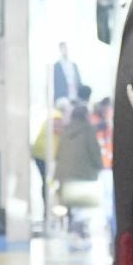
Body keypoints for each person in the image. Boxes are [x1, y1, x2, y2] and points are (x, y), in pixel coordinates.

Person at [56, 101, 104, 249]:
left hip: (65, 174)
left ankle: (72, 229)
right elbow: (94, 151)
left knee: (71, 204)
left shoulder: (65, 131)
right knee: (83, 206)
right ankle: (80, 232)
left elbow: (58, 153)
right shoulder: (88, 130)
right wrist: (99, 166)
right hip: (83, 174)